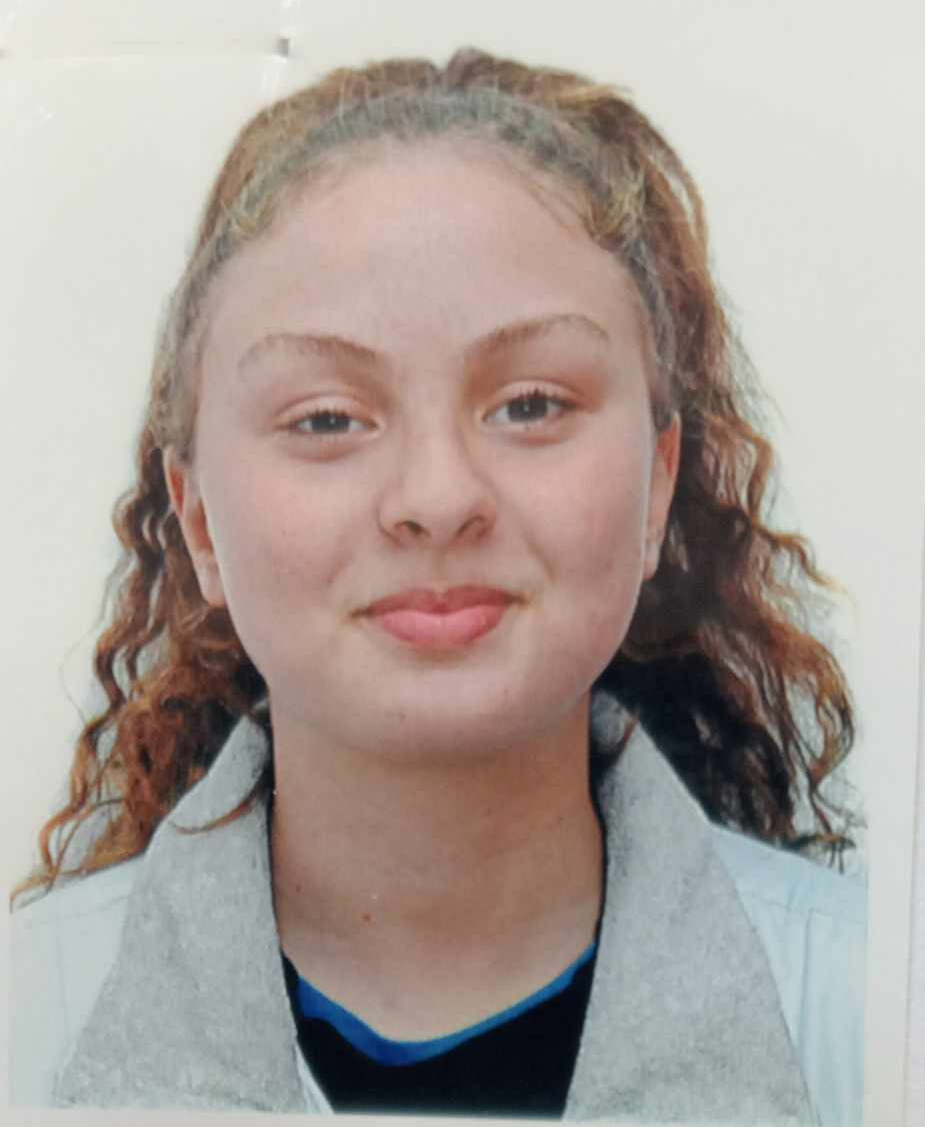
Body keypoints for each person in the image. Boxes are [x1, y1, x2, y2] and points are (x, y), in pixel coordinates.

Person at [10, 47, 865, 1123]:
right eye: (328, 417)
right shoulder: (24, 1023)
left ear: (656, 485)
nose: (436, 496)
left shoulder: (877, 1015)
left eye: (531, 404)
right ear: (199, 524)